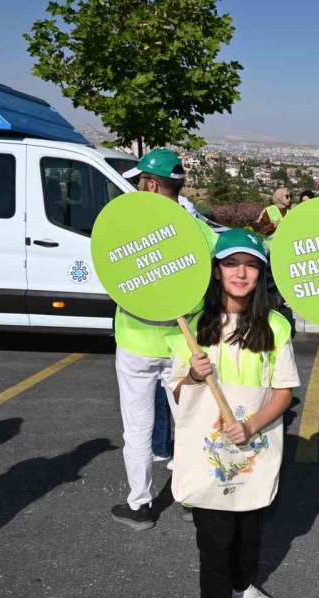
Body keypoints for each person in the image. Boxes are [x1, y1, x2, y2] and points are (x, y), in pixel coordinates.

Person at [167, 228, 299, 598]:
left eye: (251, 265)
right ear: (216, 271)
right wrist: (191, 373)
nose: (241, 273)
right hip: (209, 455)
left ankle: (243, 587)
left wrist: (253, 424)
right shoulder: (191, 325)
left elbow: (283, 392)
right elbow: (175, 392)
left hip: (254, 448)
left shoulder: (275, 325)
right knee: (215, 536)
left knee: (250, 530)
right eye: (230, 263)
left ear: (261, 273)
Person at [110, 148, 217, 529]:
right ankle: (192, 495)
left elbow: (113, 275)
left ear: (152, 184)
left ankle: (140, 505)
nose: (139, 186)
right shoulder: (200, 230)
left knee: (137, 427)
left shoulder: (132, 225)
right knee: (191, 422)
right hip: (183, 344)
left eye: (141, 181)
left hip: (137, 342)